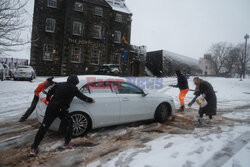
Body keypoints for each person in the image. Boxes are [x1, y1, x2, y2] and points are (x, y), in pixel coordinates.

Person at [30, 75, 95, 156]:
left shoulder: (59, 84)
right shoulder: (74, 88)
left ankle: (34, 147)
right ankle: (67, 142)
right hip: (62, 110)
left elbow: (50, 92)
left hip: (52, 108)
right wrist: (90, 100)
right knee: (69, 123)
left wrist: (48, 99)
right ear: (75, 82)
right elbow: (82, 97)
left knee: (44, 127)